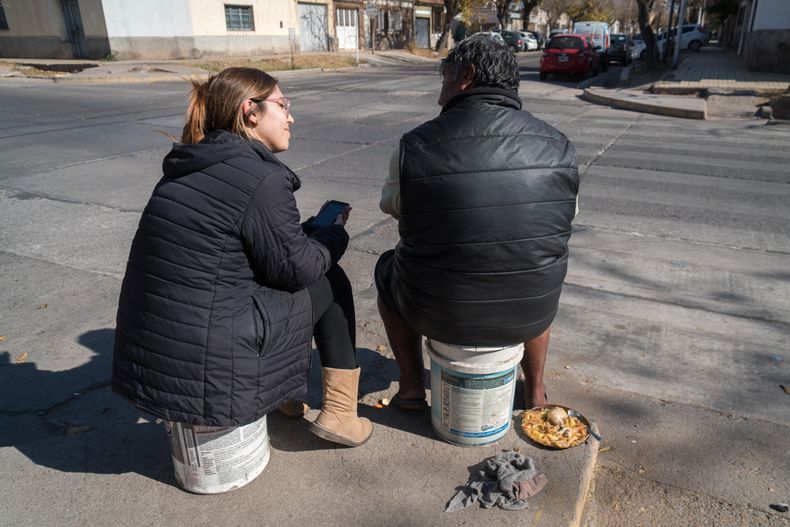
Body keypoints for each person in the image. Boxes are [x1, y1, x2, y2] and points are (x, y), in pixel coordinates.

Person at [111, 67, 372, 447]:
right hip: (215, 367)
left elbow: (245, 250)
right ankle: (340, 415)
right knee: (329, 279)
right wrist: (334, 233)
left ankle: (285, 397)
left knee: (279, 279)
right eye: (283, 106)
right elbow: (297, 270)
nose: (290, 117)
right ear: (251, 111)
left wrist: (309, 233)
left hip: (158, 364)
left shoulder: (189, 164)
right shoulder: (260, 177)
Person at [375, 34, 579, 410]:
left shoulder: (414, 146)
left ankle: (410, 386)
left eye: (444, 80)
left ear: (465, 75)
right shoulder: (559, 145)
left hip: (436, 311)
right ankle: (535, 393)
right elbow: (566, 214)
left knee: (387, 269)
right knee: (535, 268)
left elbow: (394, 207)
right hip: (530, 311)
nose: (439, 96)